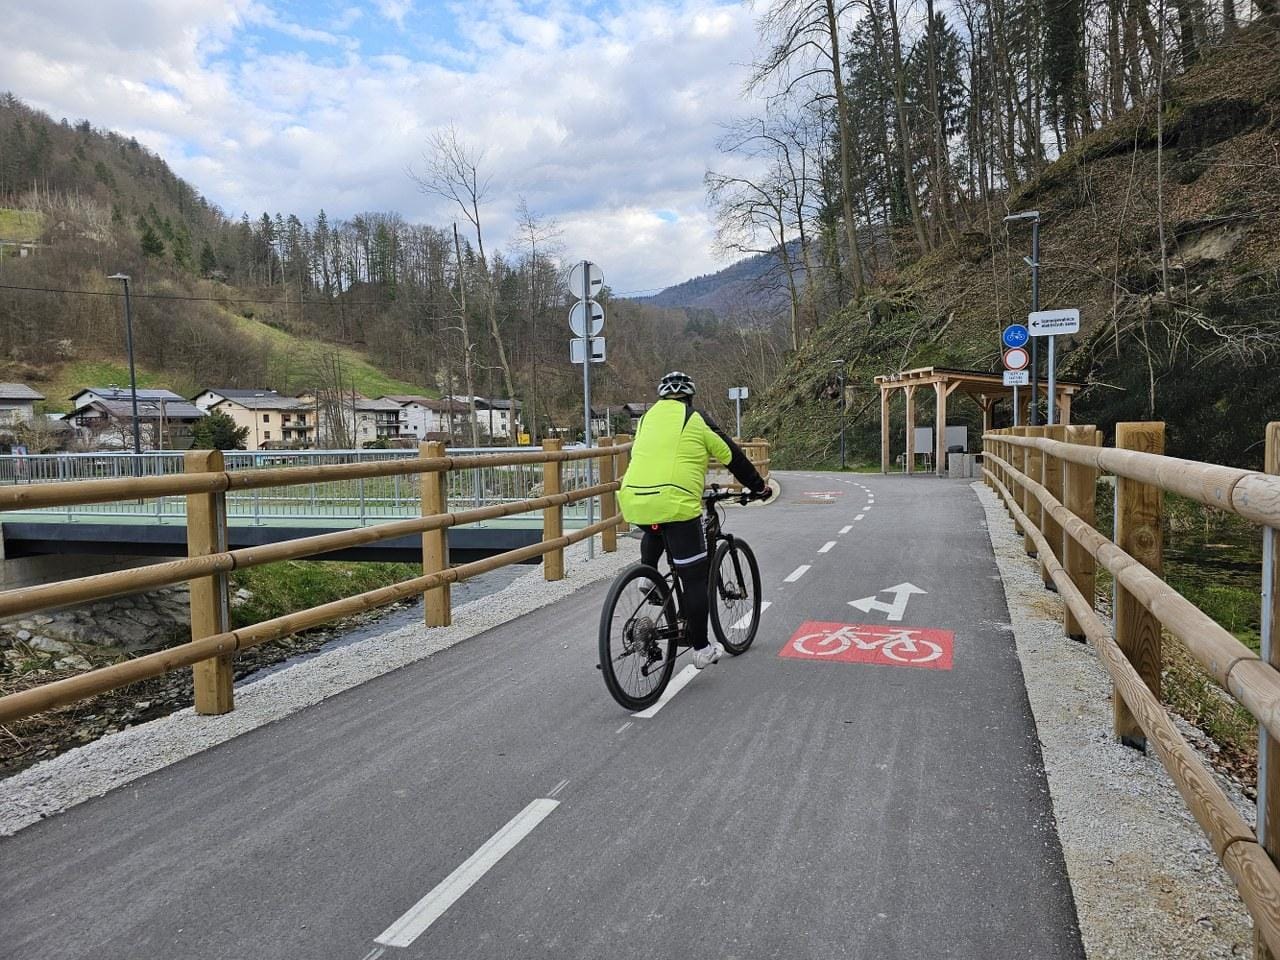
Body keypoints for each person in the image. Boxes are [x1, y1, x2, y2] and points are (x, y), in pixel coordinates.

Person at [617, 371, 771, 669]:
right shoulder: (695, 418)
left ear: (663, 396)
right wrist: (758, 486)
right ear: (689, 396)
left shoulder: (647, 419)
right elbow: (732, 456)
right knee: (695, 577)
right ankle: (701, 648)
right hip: (675, 502)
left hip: (634, 500)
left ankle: (648, 576)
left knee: (655, 526)